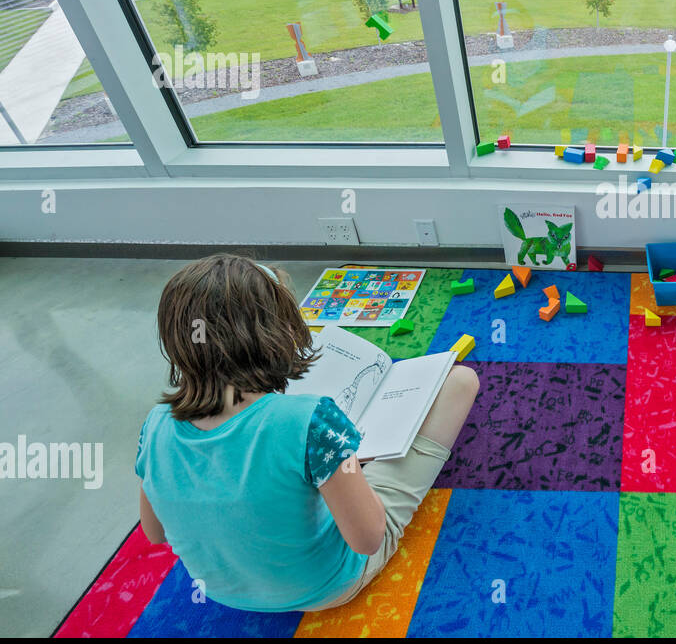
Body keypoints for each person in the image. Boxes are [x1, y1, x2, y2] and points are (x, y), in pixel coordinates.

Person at [135, 254, 479, 612]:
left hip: (223, 591)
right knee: (460, 381)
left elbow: (155, 533)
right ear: (277, 333)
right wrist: (348, 465)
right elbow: (368, 539)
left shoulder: (155, 423)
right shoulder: (310, 420)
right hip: (327, 586)